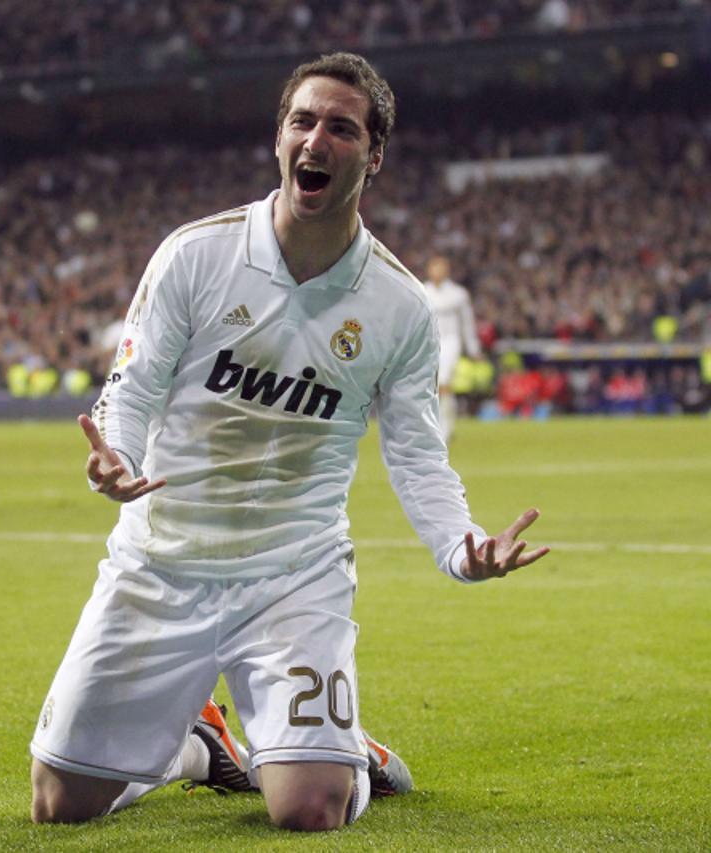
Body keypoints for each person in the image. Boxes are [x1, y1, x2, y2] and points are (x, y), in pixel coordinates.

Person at [29, 52, 550, 832]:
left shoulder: (398, 306)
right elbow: (131, 389)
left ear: (373, 156)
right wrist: (119, 456)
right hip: (162, 560)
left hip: (293, 574)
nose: (316, 140)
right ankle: (197, 746)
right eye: (302, 122)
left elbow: (416, 451)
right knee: (58, 805)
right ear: (279, 139)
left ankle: (346, 757)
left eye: (341, 128)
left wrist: (460, 546)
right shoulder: (195, 255)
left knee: (310, 809)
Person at [423, 256, 482, 442]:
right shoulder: (422, 291)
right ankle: (437, 426)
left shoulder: (458, 294)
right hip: (429, 343)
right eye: (433, 267)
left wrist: (473, 347)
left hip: (450, 342)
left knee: (444, 382)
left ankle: (446, 429)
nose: (436, 272)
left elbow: (467, 323)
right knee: (432, 387)